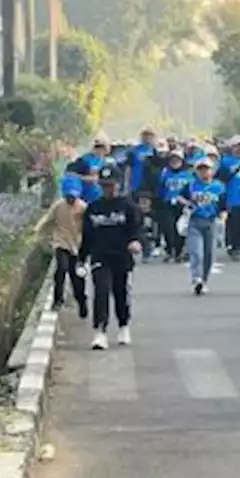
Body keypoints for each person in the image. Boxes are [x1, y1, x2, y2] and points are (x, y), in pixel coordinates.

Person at [79, 166, 144, 350]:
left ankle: (123, 325)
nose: (109, 189)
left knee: (120, 293)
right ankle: (100, 331)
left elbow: (137, 229)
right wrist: (81, 258)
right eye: (105, 185)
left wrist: (137, 242)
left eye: (112, 185)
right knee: (101, 291)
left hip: (122, 257)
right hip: (100, 256)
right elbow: (87, 235)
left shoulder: (129, 207)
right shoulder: (93, 208)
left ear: (119, 185)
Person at [36, 174, 88, 317]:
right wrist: (38, 232)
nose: (71, 199)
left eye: (73, 196)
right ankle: (58, 300)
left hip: (77, 245)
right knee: (61, 269)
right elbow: (48, 220)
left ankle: (82, 301)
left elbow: (89, 228)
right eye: (68, 196)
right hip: (61, 242)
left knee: (77, 277)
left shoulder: (83, 208)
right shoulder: (59, 206)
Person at [180, 157, 226, 295]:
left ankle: (204, 280)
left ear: (212, 171)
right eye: (200, 170)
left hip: (211, 222)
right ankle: (196, 279)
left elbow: (223, 206)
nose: (204, 172)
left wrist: (223, 218)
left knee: (209, 254)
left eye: (206, 169)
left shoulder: (219, 187)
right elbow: (180, 197)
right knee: (196, 252)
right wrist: (187, 204)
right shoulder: (191, 185)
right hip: (195, 221)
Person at [157, 150, 193, 263]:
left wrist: (188, 202)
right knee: (168, 228)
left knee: (180, 229)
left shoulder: (188, 174)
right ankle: (169, 250)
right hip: (168, 204)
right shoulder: (164, 172)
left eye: (177, 159)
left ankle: (179, 251)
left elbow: (191, 190)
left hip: (182, 205)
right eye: (172, 159)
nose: (175, 161)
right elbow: (160, 188)